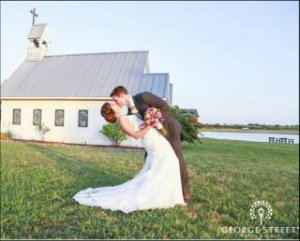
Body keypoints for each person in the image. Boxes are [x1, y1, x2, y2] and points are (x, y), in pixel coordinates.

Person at [73, 102, 186, 213]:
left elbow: (138, 128)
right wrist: (150, 124)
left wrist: (148, 123)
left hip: (154, 138)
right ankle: (165, 196)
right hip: (152, 141)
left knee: (167, 163)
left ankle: (169, 194)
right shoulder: (121, 120)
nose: (115, 103)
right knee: (169, 162)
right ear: (111, 110)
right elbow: (136, 135)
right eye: (112, 104)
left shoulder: (123, 117)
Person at [110, 86, 191, 202]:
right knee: (149, 160)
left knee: (177, 158)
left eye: (116, 100)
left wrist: (155, 118)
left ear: (121, 95)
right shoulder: (129, 113)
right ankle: (153, 189)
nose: (116, 102)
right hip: (155, 138)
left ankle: (185, 191)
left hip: (169, 129)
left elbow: (165, 106)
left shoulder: (143, 97)